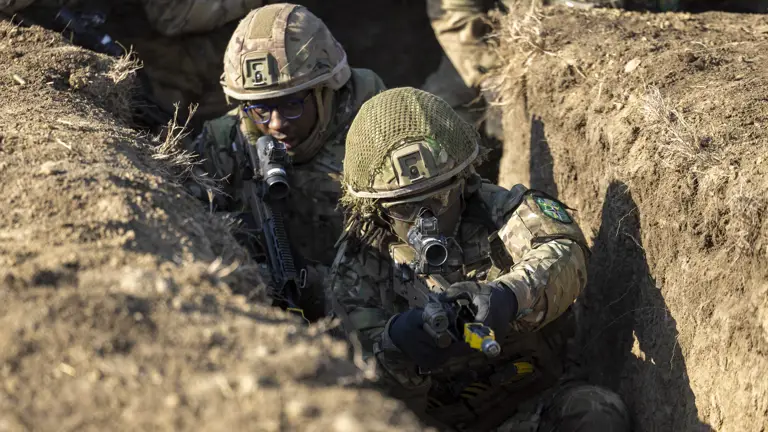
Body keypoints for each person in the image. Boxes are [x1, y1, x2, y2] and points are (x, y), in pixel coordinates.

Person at [329, 87, 630, 431]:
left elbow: (564, 250)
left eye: (439, 197)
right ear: (377, 209)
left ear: (462, 181)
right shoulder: (359, 262)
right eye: (404, 207)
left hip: (534, 406)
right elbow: (350, 391)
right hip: (431, 424)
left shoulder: (497, 211)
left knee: (598, 414)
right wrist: (396, 347)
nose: (425, 218)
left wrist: (508, 296)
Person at [184, 3, 386, 319]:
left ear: (325, 90)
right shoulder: (226, 143)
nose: (276, 124)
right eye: (260, 109)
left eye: (292, 104)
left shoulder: (381, 130)